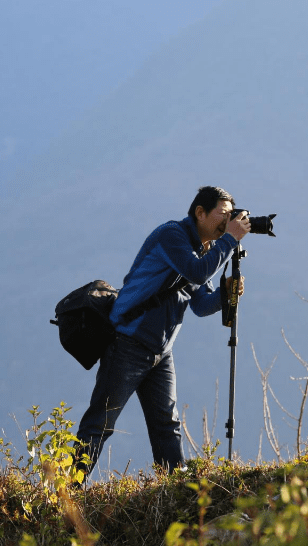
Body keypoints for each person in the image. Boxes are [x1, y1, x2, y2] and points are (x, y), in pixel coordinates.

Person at [74, 186, 250, 477]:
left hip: (160, 352)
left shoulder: (203, 250)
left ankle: (174, 490)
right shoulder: (172, 236)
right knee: (100, 423)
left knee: (167, 426)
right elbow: (196, 272)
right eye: (223, 215)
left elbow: (201, 305)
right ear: (200, 213)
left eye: (232, 216)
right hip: (128, 342)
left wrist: (225, 294)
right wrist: (230, 239)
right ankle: (66, 492)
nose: (227, 221)